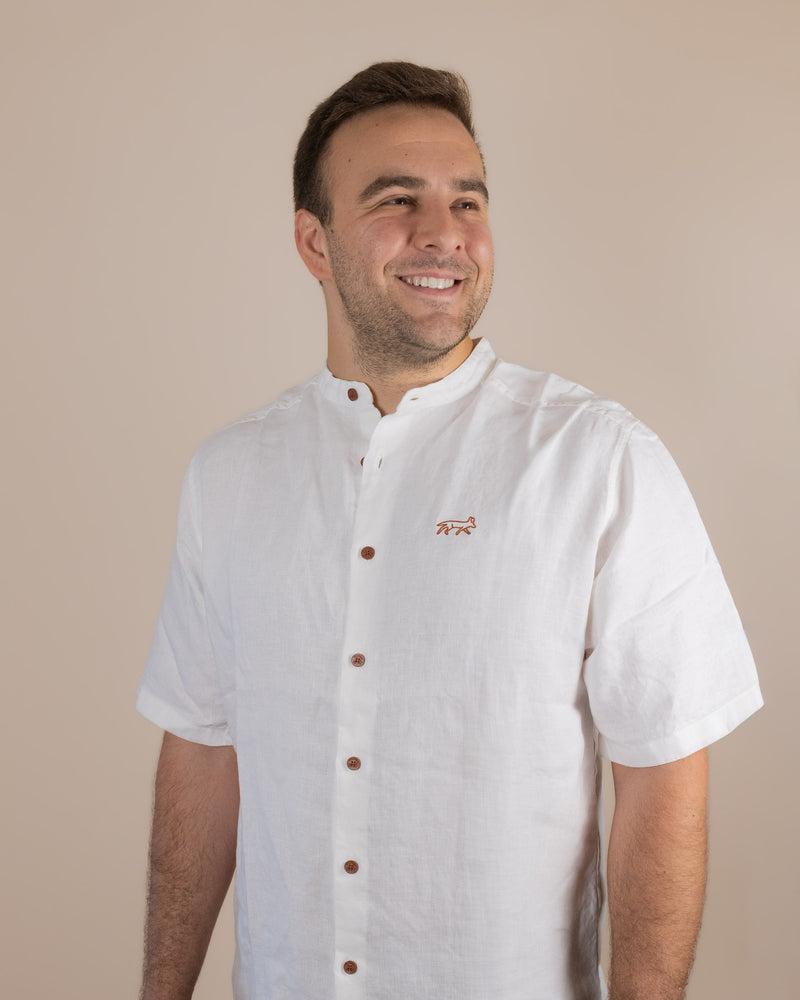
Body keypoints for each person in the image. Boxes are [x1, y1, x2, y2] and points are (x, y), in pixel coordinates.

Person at [137, 62, 762, 1000]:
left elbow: (664, 779)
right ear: (315, 242)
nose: (445, 235)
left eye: (468, 202)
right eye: (398, 199)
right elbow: (200, 749)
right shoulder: (230, 476)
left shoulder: (597, 462)